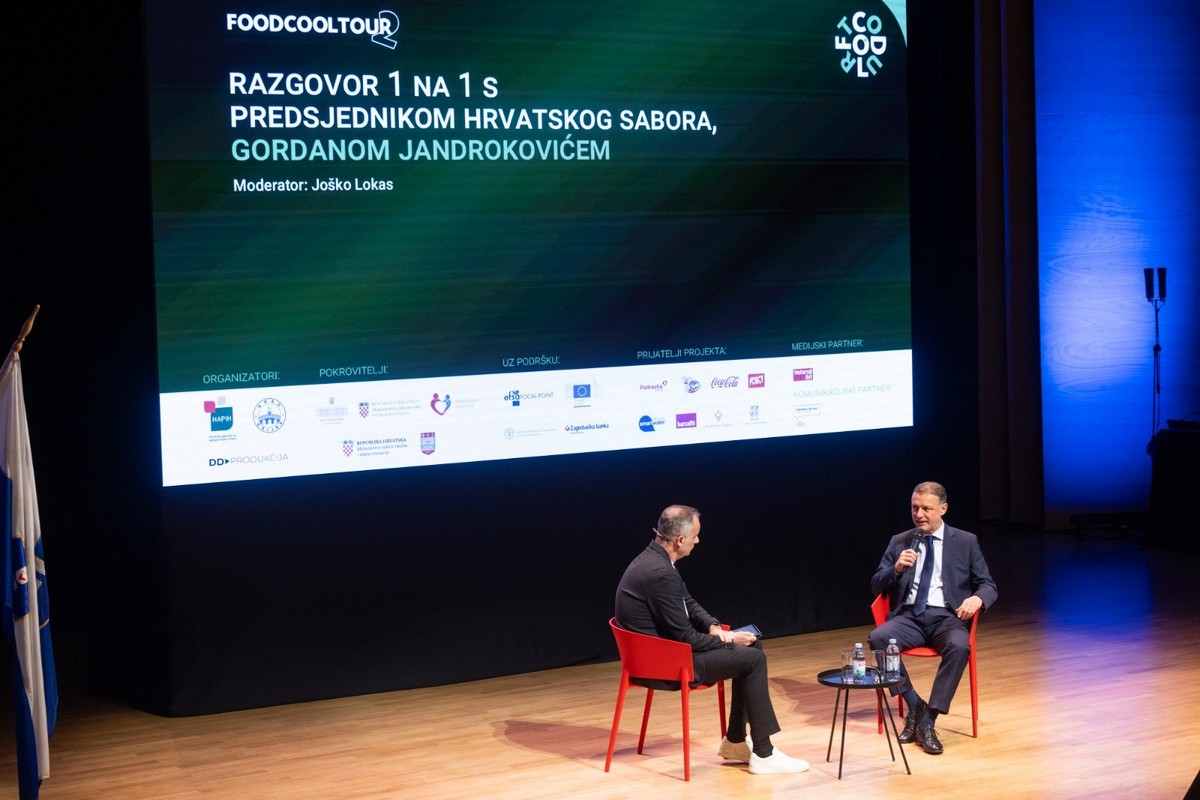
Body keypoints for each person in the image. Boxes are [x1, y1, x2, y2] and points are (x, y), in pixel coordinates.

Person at [614, 504, 808, 775]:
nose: (697, 541)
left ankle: (735, 741)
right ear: (680, 539)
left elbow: (688, 602)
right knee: (753, 660)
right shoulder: (659, 573)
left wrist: (714, 626)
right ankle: (764, 753)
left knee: (753, 645)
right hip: (664, 665)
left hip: (664, 653)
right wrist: (729, 640)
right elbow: (686, 638)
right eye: (695, 536)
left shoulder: (655, 559)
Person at [867, 481, 998, 755]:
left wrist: (977, 599)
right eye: (914, 508)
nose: (919, 514)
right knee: (878, 638)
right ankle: (915, 704)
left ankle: (929, 719)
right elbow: (876, 584)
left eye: (926, 508)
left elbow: (988, 584)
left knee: (959, 647)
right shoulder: (900, 541)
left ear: (943, 509)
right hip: (909, 617)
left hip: (947, 617)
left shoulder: (965, 541)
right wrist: (896, 568)